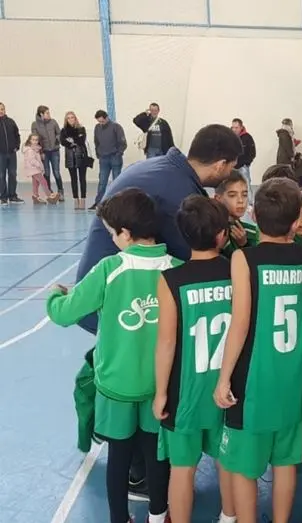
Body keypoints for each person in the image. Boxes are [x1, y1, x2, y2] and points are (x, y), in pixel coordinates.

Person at [75, 124, 243, 501]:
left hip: (114, 286)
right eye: (231, 168)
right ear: (221, 164)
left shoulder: (165, 169)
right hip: (120, 292)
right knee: (142, 380)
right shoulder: (179, 191)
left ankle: (128, 448)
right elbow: (192, 259)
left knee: (126, 370)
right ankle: (139, 468)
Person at [47, 188, 178, 523]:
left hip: (116, 385)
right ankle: (158, 515)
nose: (112, 240)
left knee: (119, 457)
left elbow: (64, 313)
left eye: (112, 234)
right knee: (157, 455)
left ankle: (120, 518)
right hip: (161, 386)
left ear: (126, 233)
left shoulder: (110, 269)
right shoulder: (176, 268)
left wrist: (54, 296)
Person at [215, 178, 302, 523]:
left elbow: (240, 323)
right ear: (295, 223)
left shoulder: (244, 258)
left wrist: (224, 377)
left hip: (253, 381)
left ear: (254, 215)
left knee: (244, 467)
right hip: (292, 377)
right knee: (285, 463)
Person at [153, 195, 236, 523]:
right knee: (227, 462)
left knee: (182, 468)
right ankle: (229, 517)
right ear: (222, 234)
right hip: (227, 388)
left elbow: (167, 342)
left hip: (185, 391)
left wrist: (161, 392)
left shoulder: (171, 279)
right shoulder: (237, 272)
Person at [214, 171, 258, 258]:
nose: (240, 201)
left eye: (244, 195)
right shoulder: (210, 231)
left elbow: (256, 262)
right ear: (218, 199)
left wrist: (244, 244)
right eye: (232, 195)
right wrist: (219, 248)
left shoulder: (252, 232)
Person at [93, 110, 128, 209]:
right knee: (102, 182)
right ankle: (98, 202)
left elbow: (123, 143)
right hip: (103, 158)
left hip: (115, 158)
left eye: (102, 121)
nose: (101, 123)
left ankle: (118, 204)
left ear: (107, 118)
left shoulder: (116, 127)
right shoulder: (97, 128)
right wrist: (98, 153)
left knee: (116, 182)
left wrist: (118, 153)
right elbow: (96, 141)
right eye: (99, 122)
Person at [31, 105, 64, 200]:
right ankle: (49, 193)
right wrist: (41, 152)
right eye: (47, 113)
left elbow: (59, 133)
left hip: (54, 151)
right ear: (41, 114)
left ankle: (60, 192)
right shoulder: (35, 124)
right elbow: (35, 139)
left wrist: (57, 139)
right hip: (44, 152)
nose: (49, 114)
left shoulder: (53, 122)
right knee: (47, 173)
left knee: (56, 172)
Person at [60, 111, 90, 210]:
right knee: (73, 179)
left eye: (72, 117)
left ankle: (83, 199)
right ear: (66, 120)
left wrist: (72, 140)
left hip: (81, 156)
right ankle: (76, 199)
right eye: (68, 118)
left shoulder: (81, 129)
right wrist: (72, 141)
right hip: (70, 157)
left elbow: (81, 141)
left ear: (75, 118)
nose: (71, 119)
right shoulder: (63, 130)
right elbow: (63, 142)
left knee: (82, 179)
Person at [23, 134, 59, 205]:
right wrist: (39, 165)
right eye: (33, 140)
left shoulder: (35, 149)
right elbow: (32, 160)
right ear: (30, 140)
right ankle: (49, 195)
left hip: (34, 169)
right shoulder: (30, 150)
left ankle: (35, 196)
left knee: (36, 183)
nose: (35, 141)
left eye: (36, 140)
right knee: (43, 181)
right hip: (33, 169)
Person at [0, 102, 22, 205]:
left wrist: (17, 146)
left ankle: (13, 196)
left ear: (5, 110)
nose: (1, 111)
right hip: (1, 155)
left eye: (2, 109)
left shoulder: (11, 121)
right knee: (1, 175)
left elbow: (17, 135)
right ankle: (3, 197)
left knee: (13, 174)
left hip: (12, 154)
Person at [231, 118, 256, 195]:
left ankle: (250, 201)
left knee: (246, 185)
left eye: (236, 127)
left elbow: (252, 152)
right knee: (231, 186)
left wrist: (247, 163)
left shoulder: (247, 137)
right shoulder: (229, 137)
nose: (234, 129)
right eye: (233, 127)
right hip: (231, 167)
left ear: (241, 127)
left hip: (243, 167)